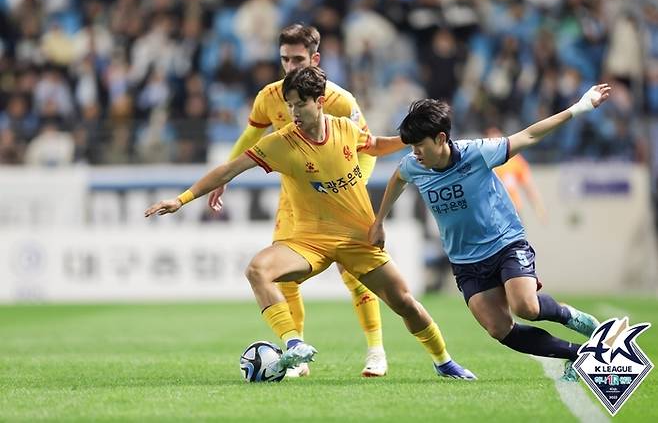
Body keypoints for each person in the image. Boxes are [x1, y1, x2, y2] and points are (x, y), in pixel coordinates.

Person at [145, 67, 476, 380]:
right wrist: (182, 199)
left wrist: (412, 139)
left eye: (300, 104)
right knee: (258, 270)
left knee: (406, 304)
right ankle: (293, 343)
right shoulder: (281, 144)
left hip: (357, 239)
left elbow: (374, 145)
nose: (293, 112)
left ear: (319, 102)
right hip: (309, 242)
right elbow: (229, 169)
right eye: (289, 105)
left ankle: (444, 362)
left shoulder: (345, 128)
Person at [369, 84, 612, 381]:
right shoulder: (414, 165)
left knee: (526, 307)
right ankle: (579, 354)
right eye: (411, 147)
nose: (415, 153)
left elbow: (530, 135)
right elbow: (397, 179)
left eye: (420, 145)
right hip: (465, 261)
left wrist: (580, 107)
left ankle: (571, 316)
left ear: (441, 138)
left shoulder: (479, 152)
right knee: (499, 329)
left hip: (505, 243)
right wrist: (379, 221)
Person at [207, 24, 387, 377]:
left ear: (315, 59)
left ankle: (376, 350)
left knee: (354, 272)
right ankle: (297, 355)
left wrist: (353, 186)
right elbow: (251, 135)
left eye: (298, 59)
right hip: (295, 201)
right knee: (283, 276)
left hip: (343, 200)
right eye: (284, 59)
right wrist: (225, 175)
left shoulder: (341, 101)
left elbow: (369, 148)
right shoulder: (270, 96)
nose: (290, 66)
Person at [484, 126, 547, 223]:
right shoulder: (483, 162)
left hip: (513, 209)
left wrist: (538, 207)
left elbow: (527, 185)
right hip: (493, 212)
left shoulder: (514, 160)